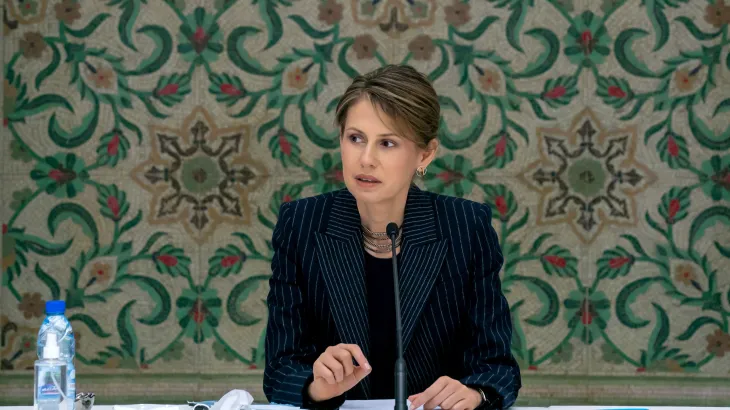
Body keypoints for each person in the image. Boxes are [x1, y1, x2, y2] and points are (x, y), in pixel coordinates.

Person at [263, 64, 521, 410]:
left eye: (387, 143)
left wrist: (476, 394)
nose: (366, 159)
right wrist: (316, 386)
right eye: (355, 138)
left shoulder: (466, 227)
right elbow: (280, 371)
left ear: (425, 154)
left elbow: (498, 367)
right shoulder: (301, 224)